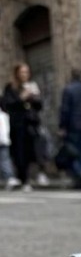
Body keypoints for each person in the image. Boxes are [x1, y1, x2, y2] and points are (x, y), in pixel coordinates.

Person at [2, 63, 43, 191]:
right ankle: (23, 178)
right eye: (22, 72)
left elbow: (39, 106)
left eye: (27, 72)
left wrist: (35, 96)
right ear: (17, 73)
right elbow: (7, 105)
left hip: (31, 123)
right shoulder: (11, 87)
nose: (25, 75)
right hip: (17, 124)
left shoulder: (32, 86)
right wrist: (22, 97)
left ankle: (37, 174)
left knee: (35, 150)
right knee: (20, 152)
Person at [0, 99, 21, 190]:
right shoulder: (4, 115)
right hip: (4, 140)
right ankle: (9, 178)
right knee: (5, 160)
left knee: (4, 160)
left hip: (3, 141)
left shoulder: (3, 115)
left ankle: (9, 178)